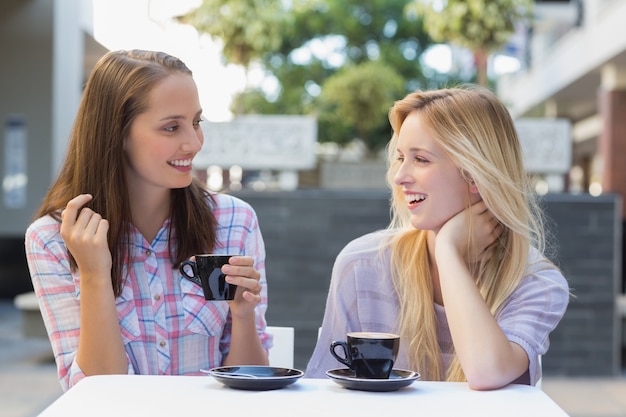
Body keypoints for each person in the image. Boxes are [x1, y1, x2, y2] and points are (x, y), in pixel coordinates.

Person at [24, 49, 270, 392]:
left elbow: (251, 388)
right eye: (171, 127)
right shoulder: (52, 239)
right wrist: (95, 275)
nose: (194, 142)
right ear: (118, 133)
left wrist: (243, 317)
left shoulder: (234, 220)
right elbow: (93, 393)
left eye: (196, 122)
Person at [305, 85, 570, 390]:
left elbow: (486, 372)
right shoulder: (362, 264)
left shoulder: (536, 283)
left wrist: (447, 250)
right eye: (401, 157)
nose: (399, 176)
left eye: (421, 159)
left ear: (475, 174)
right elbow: (324, 394)